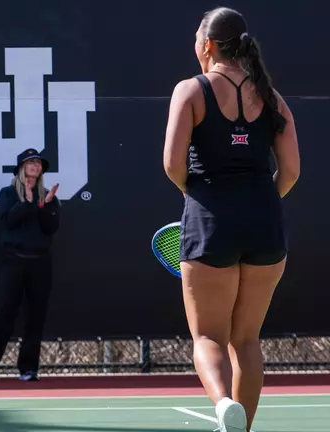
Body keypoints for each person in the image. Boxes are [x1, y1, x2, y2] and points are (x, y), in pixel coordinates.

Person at [163, 7, 300, 432]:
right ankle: (241, 429)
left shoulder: (190, 90)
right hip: (266, 224)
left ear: (207, 45)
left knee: (207, 339)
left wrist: (205, 201)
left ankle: (223, 406)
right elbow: (292, 171)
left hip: (212, 222)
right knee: (247, 341)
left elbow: (171, 164)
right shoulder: (272, 98)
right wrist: (258, 202)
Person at [0, 148, 60, 382]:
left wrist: (46, 207)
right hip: (13, 261)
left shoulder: (48, 197)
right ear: (21, 167)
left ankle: (29, 368)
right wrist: (28, 202)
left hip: (40, 264)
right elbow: (8, 221)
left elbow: (51, 228)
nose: (35, 166)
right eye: (30, 162)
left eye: (38, 163)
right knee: (4, 315)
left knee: (35, 317)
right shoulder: (8, 193)